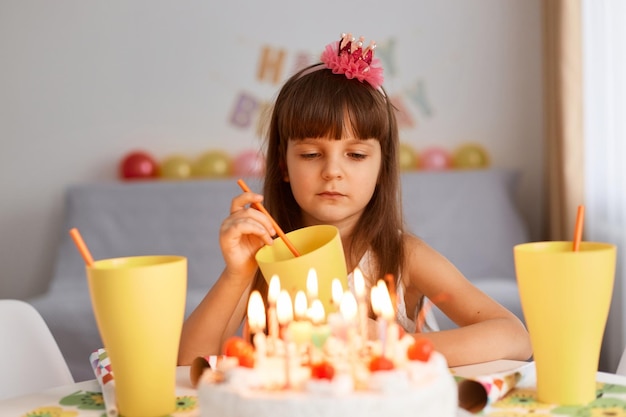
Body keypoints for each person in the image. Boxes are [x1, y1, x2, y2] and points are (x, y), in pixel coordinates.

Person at [178, 33, 532, 366]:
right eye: (311, 154)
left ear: (383, 167)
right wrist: (236, 274)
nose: (333, 171)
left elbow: (515, 338)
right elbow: (187, 365)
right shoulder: (265, 258)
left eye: (356, 155)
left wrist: (387, 347)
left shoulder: (404, 256)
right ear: (283, 165)